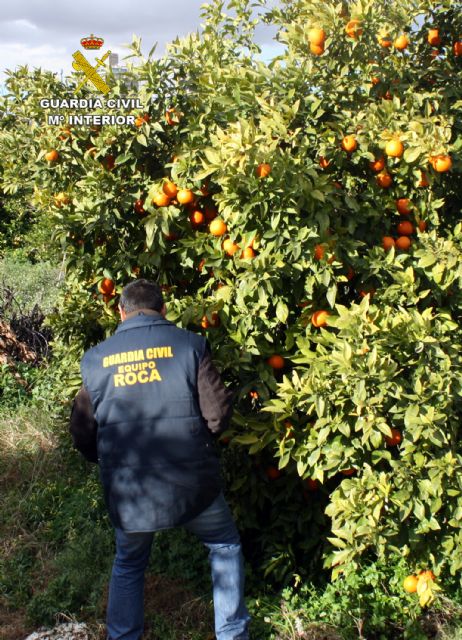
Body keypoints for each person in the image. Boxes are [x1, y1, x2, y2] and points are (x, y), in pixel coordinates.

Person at [69, 279, 250, 640]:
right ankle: (231, 634)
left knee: (130, 562)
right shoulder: (190, 346)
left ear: (120, 311)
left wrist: (107, 461)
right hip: (193, 483)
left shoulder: (96, 359)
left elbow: (82, 431)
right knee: (224, 545)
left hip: (130, 489)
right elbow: (217, 415)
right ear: (164, 309)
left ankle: (123, 636)